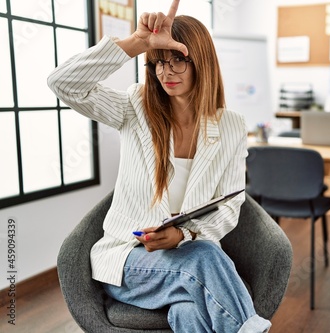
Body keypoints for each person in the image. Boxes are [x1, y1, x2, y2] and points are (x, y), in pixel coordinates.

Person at [48, 1, 271, 332]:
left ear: (202, 62)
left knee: (189, 311)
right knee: (205, 259)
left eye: (177, 60)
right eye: (157, 62)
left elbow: (230, 206)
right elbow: (63, 83)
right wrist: (137, 42)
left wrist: (184, 233)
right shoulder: (135, 105)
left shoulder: (232, 126)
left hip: (187, 259)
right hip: (128, 262)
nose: (166, 72)